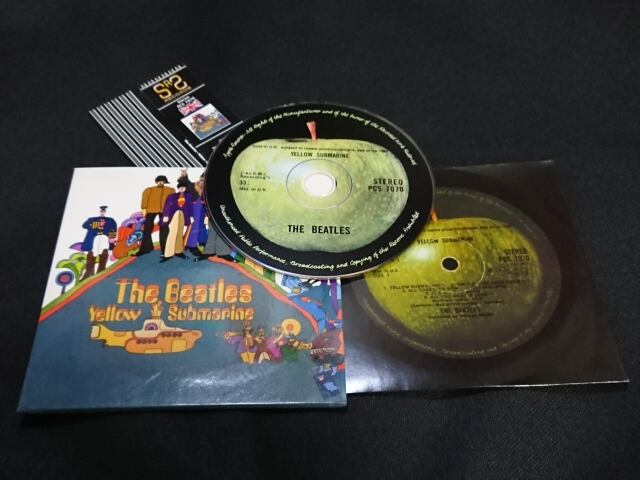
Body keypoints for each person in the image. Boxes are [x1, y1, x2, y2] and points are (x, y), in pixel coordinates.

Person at [135, 175, 175, 257]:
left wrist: (171, 211)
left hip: (165, 211)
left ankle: (165, 250)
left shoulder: (170, 190)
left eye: (162, 181)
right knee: (147, 228)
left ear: (165, 182)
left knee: (164, 228)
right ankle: (146, 248)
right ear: (156, 182)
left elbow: (173, 200)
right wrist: (144, 208)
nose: (160, 182)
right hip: (151, 210)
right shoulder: (149, 190)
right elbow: (145, 199)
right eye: (159, 181)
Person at [160, 177, 195, 262]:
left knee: (180, 233)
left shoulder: (189, 196)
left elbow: (190, 207)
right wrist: (166, 215)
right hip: (174, 215)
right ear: (178, 188)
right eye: (180, 187)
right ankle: (168, 254)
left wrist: (191, 216)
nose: (181, 188)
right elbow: (167, 206)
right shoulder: (172, 196)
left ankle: (178, 252)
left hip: (183, 215)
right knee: (172, 233)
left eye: (183, 187)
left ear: (185, 188)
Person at [79, 205, 117, 280]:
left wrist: (111, 241)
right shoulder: (92, 219)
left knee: (103, 256)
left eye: (103, 211)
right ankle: (89, 272)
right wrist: (96, 225)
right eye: (101, 211)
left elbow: (113, 230)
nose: (102, 212)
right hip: (93, 241)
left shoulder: (110, 220)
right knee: (91, 255)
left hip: (104, 239)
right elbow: (84, 225)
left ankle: (101, 272)